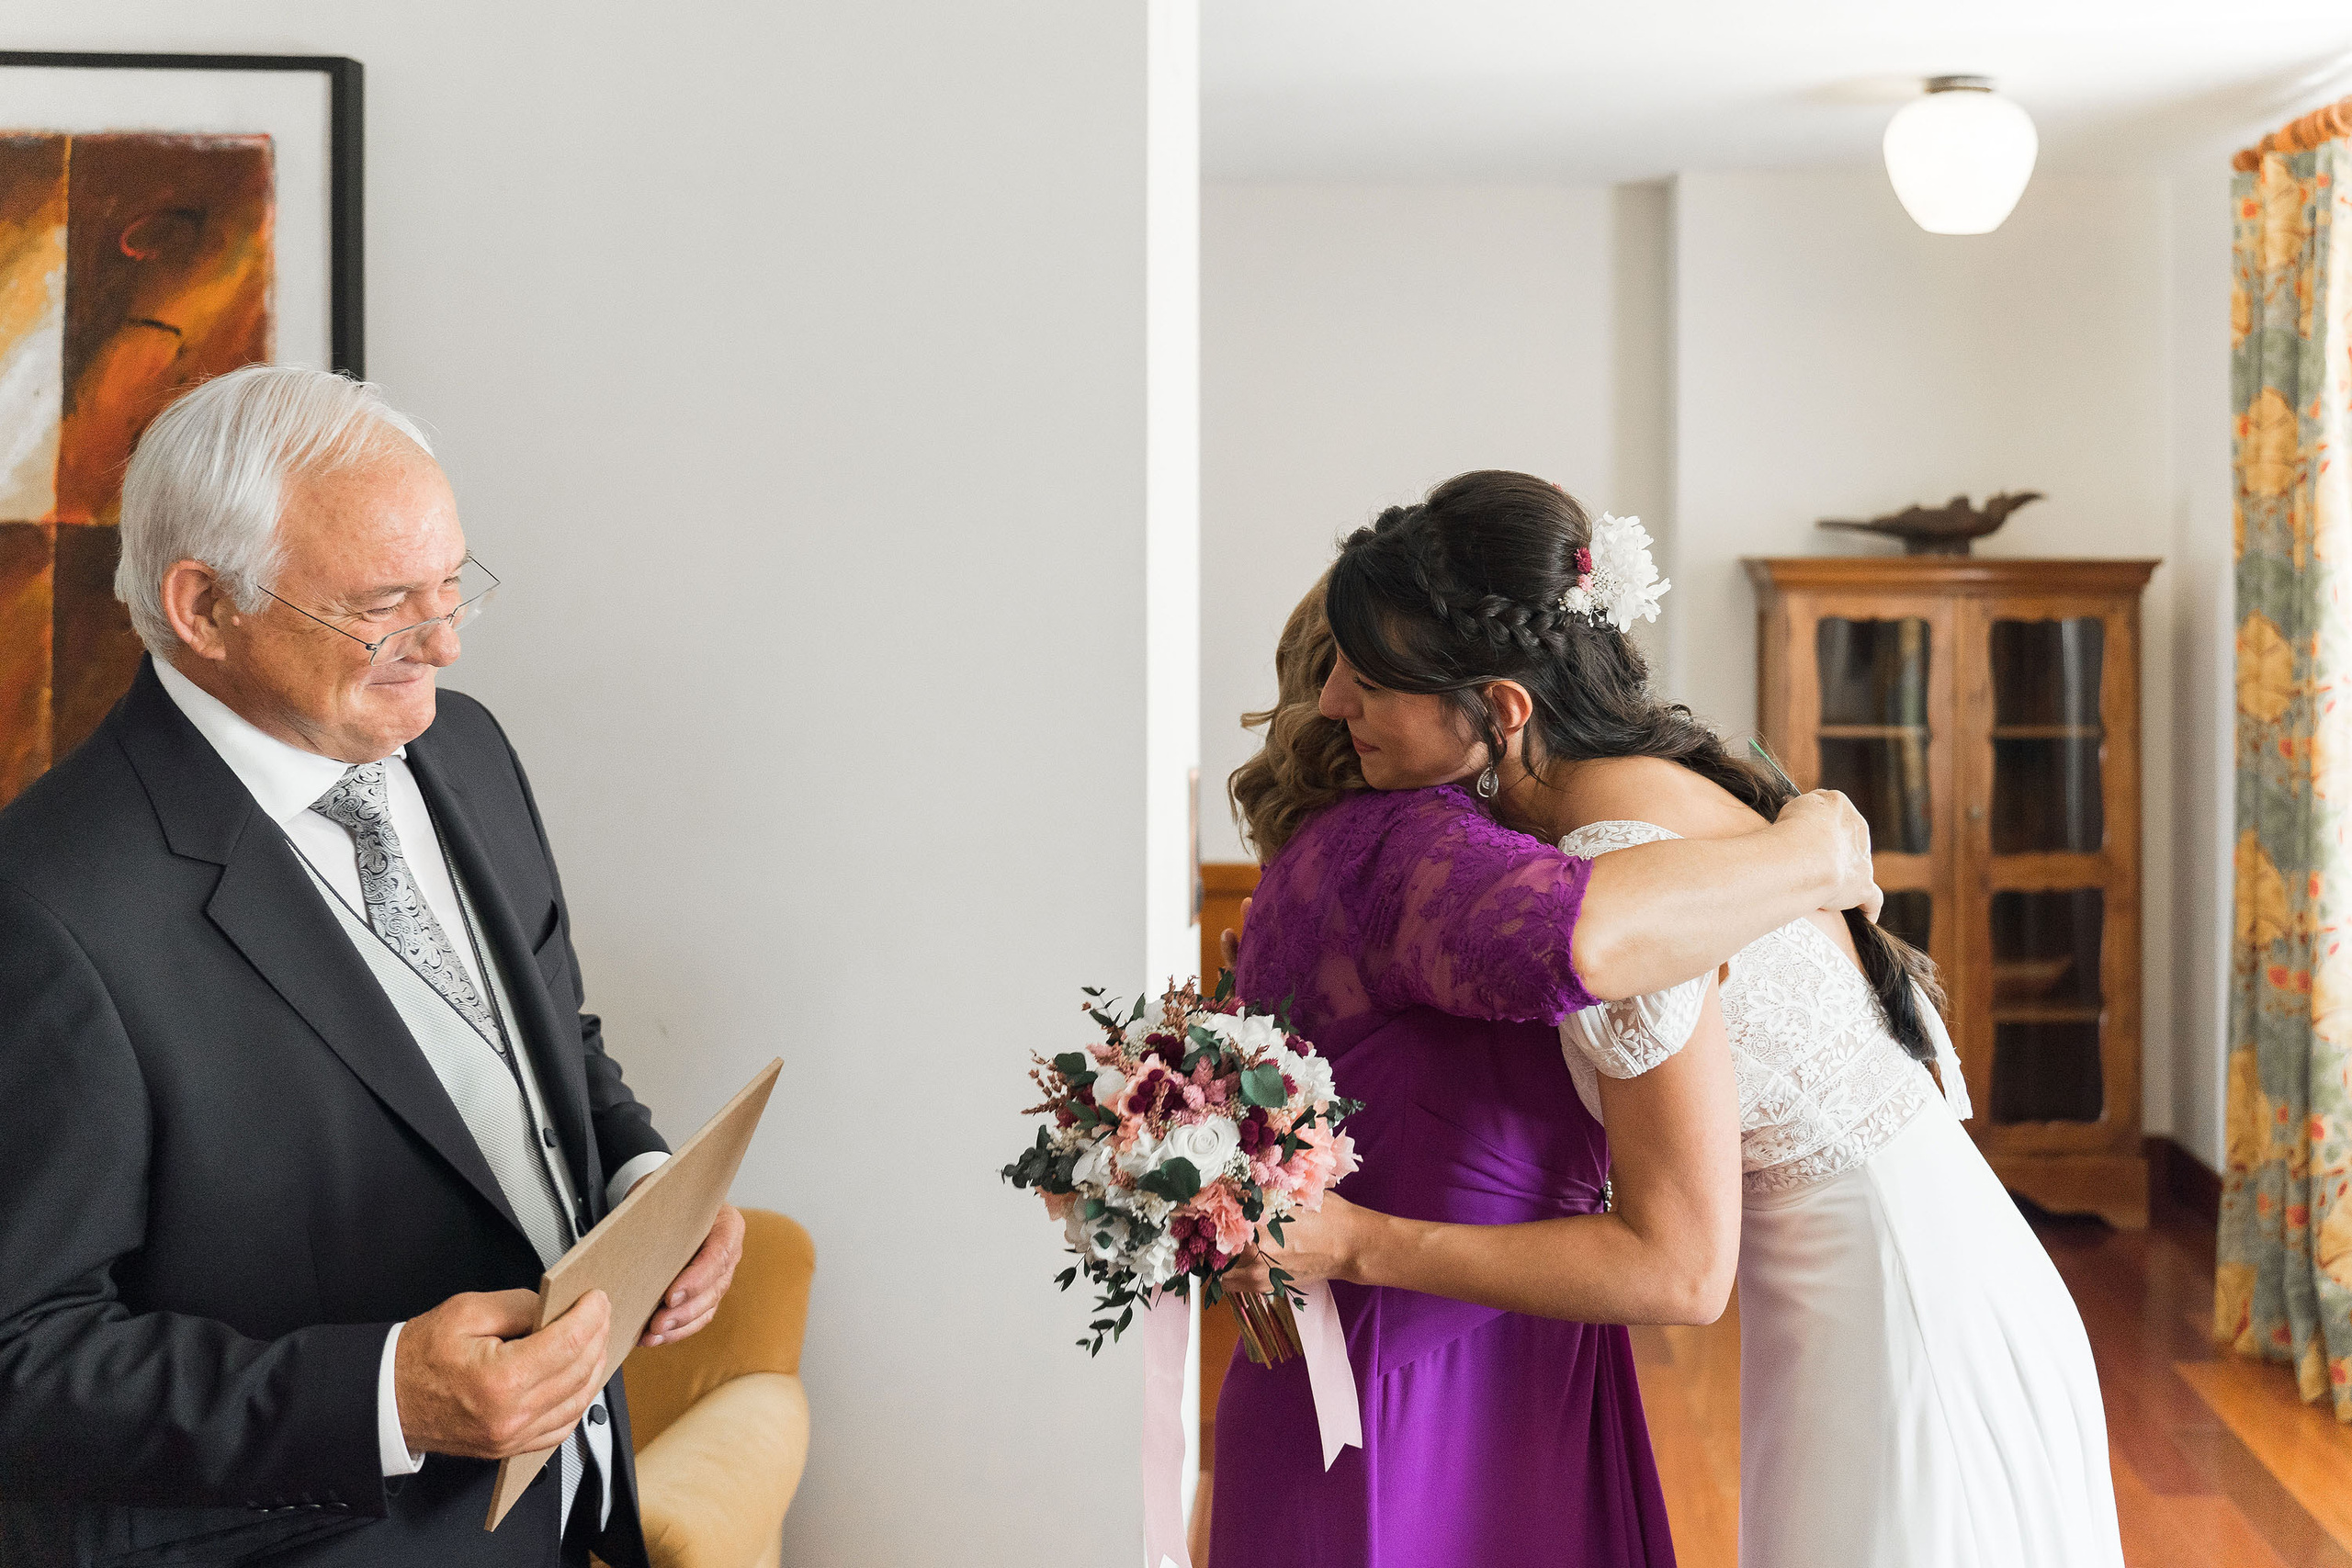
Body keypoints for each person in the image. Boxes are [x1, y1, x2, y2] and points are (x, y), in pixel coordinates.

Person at [1252, 471, 2124, 1568]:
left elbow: (1676, 1273)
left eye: (1371, 680)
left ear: (1503, 709)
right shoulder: (1647, 783)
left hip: (1900, 1323)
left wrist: (1360, 1244)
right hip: (1929, 1278)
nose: (1331, 702)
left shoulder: (1620, 867)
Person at [0, 367, 744, 1567]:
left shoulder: (467, 749)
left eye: (453, 586)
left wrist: (644, 1188)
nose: (441, 642)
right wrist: (386, 1395)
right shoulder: (46, 905)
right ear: (205, 606)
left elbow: (544, 1039)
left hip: (564, 1520)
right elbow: (22, 1360)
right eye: (386, 604)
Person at [1205, 562, 1880, 1567]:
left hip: (1365, 1354)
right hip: (1436, 1385)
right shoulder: (1424, 854)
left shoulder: (1317, 855)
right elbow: (1585, 940)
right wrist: (1809, 848)